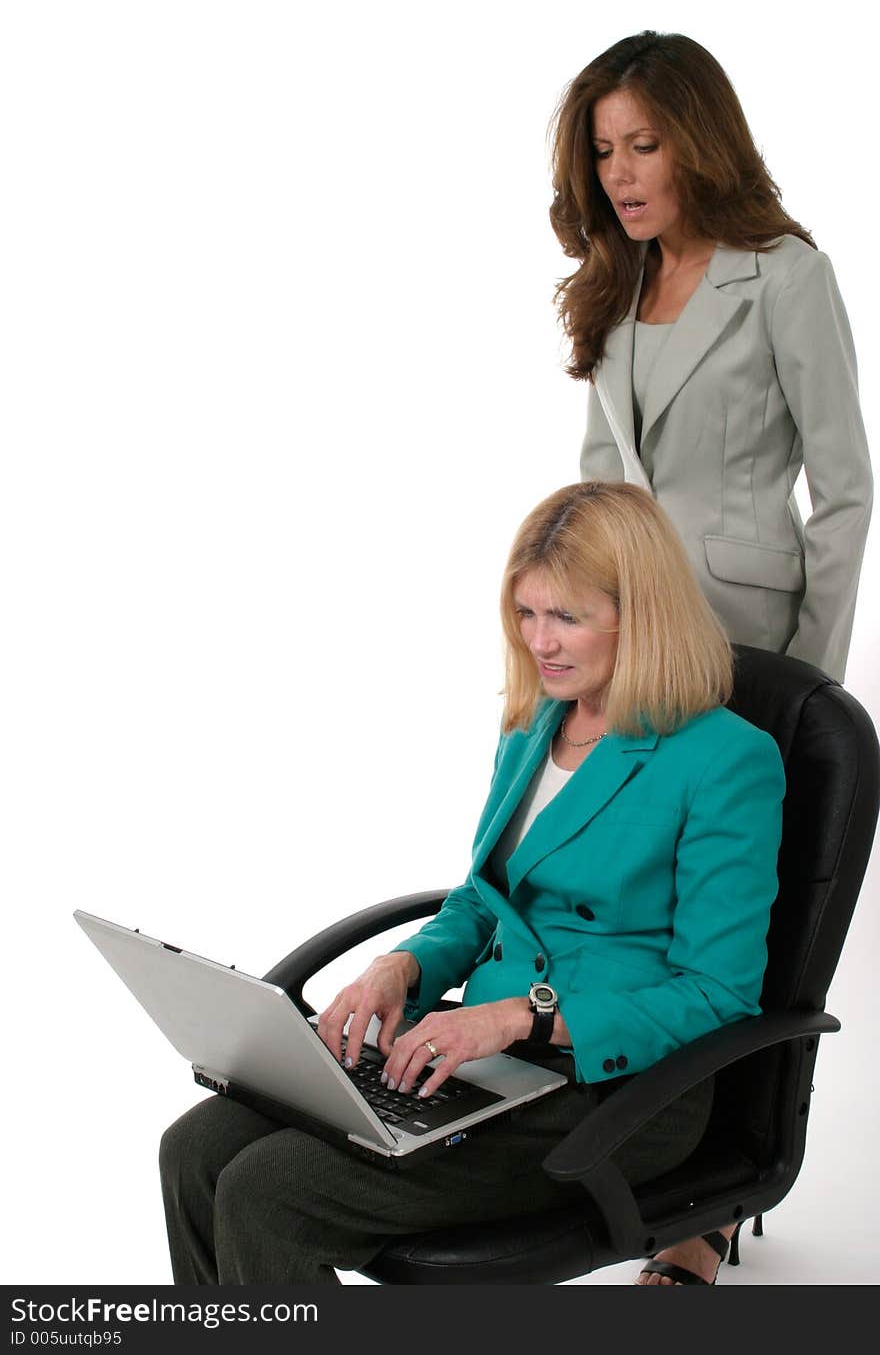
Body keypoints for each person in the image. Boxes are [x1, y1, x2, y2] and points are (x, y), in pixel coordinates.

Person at [160, 482, 784, 1286]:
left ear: (641, 613)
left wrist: (517, 1019)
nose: (540, 642)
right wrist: (406, 968)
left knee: (267, 1194)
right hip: (485, 1060)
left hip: (617, 1091)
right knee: (194, 1152)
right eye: (526, 614)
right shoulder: (533, 724)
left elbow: (716, 995)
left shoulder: (724, 759)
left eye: (567, 616)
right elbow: (482, 898)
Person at [549, 31, 872, 683]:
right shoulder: (615, 281)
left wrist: (811, 682)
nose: (619, 174)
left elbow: (846, 495)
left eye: (644, 147)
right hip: (628, 631)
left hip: (744, 631)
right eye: (604, 151)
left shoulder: (787, 278)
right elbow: (603, 481)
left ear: (700, 146)